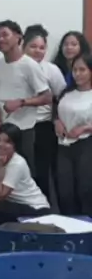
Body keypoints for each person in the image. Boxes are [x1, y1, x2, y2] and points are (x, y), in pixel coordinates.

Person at [0, 20, 51, 175]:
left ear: (18, 37)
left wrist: (21, 102)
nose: (0, 40)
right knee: (3, 172)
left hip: (23, 130)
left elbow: (47, 97)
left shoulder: (29, 65)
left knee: (23, 173)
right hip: (2, 129)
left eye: (5, 35)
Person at [23, 24, 66, 200]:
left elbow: (62, 97)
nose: (38, 51)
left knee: (41, 171)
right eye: (33, 46)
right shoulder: (15, 66)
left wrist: (57, 119)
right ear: (23, 46)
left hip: (43, 126)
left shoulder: (51, 70)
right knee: (22, 170)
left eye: (42, 47)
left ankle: (42, 207)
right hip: (18, 126)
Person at [0, 123, 51, 228]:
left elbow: (0, 196)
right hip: (13, 204)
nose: (0, 144)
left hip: (35, 207)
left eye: (7, 142)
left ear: (15, 145)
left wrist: (1, 168)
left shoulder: (17, 163)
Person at [55, 54, 92, 216]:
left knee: (85, 189)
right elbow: (56, 112)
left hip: (86, 145)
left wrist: (85, 128)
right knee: (65, 191)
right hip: (63, 145)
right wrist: (57, 122)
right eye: (75, 70)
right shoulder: (66, 93)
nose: (77, 74)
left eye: (82, 70)